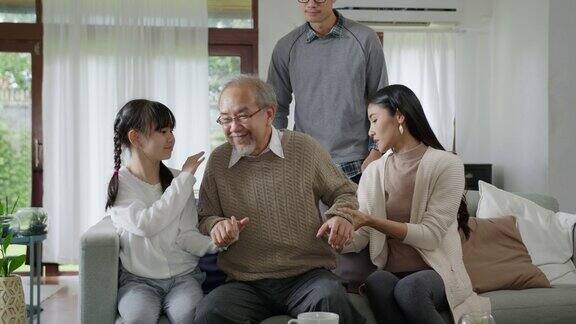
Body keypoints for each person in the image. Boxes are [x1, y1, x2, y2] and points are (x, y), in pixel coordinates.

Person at [194, 75, 365, 324]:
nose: (233, 127)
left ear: (269, 114)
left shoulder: (305, 149)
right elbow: (204, 216)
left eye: (242, 116)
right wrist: (216, 226)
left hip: (307, 277)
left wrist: (341, 215)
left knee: (330, 299)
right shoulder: (219, 161)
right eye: (226, 119)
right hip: (245, 282)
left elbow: (345, 192)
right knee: (210, 312)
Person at [339, 85, 491, 324]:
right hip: (393, 273)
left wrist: (370, 220)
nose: (370, 131)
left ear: (399, 116)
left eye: (374, 120)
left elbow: (430, 235)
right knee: (377, 281)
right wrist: (337, 236)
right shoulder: (373, 171)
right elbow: (364, 234)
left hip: (438, 274)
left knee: (410, 288)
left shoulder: (447, 164)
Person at [105, 99, 226, 323]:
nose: (171, 137)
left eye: (171, 130)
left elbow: (186, 236)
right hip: (138, 282)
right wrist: (185, 180)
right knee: (138, 317)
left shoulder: (180, 179)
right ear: (135, 138)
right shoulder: (121, 184)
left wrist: (216, 242)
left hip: (184, 279)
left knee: (190, 315)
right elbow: (145, 224)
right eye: (162, 131)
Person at [267, 0, 388, 184]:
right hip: (304, 162)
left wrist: (376, 152)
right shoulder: (285, 46)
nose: (311, 3)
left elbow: (381, 101)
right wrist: (279, 156)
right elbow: (276, 109)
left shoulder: (365, 39)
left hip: (358, 164)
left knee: (357, 215)